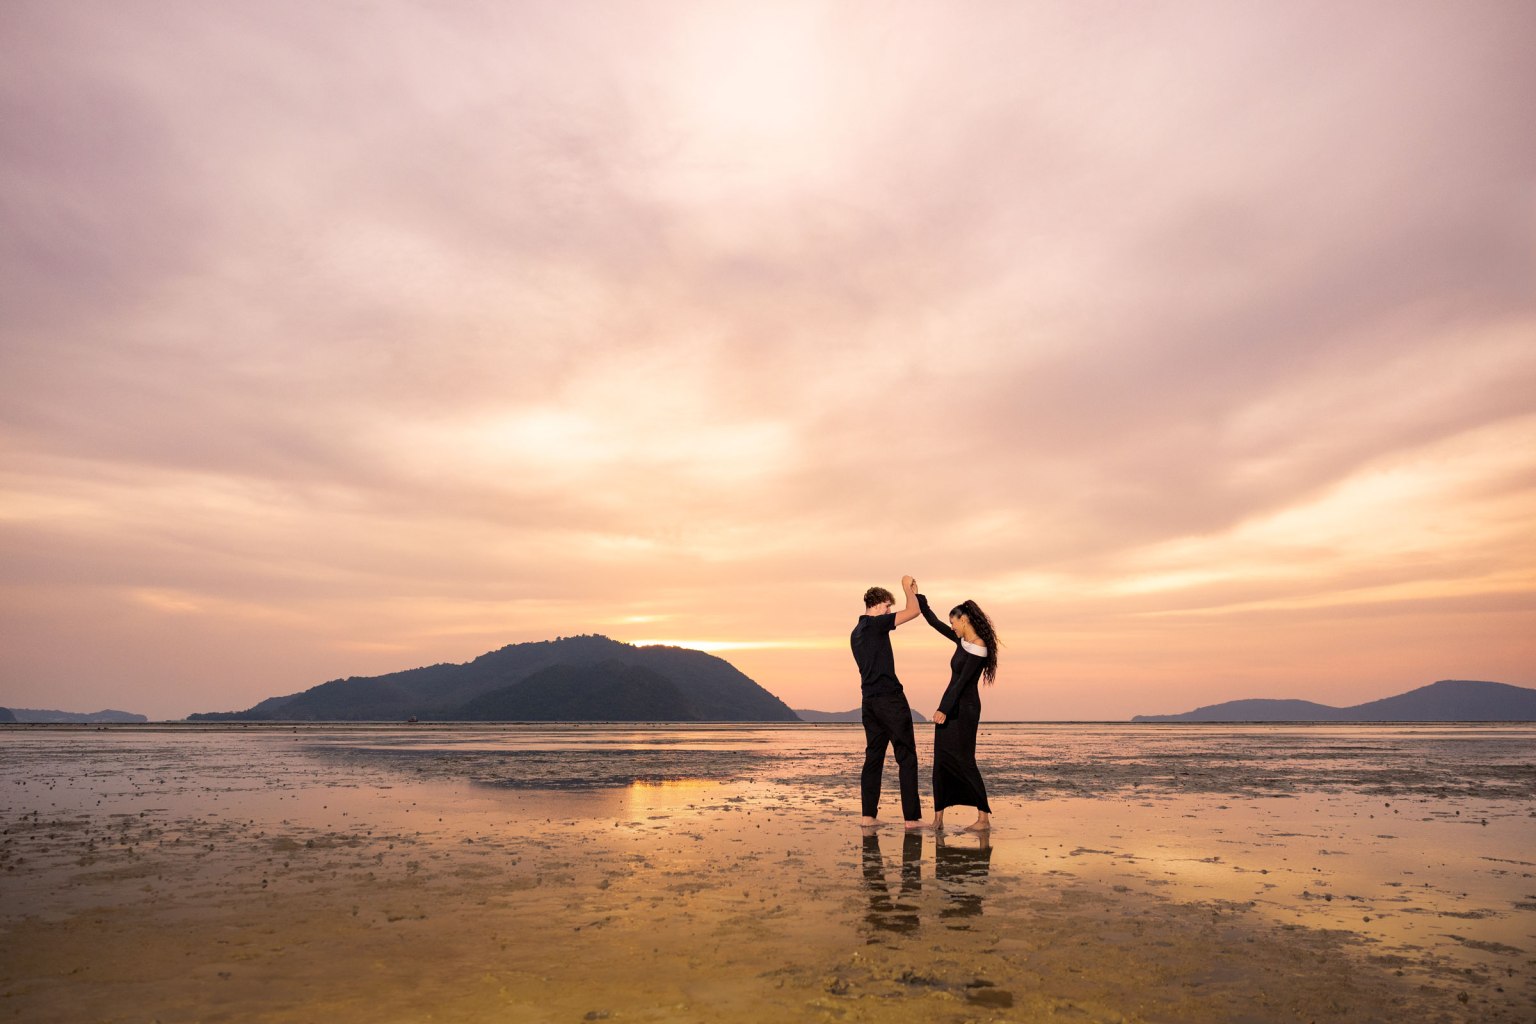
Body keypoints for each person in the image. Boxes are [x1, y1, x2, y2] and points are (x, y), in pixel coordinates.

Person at [850, 576, 932, 830]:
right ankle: (911, 819)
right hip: (889, 700)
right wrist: (908, 588)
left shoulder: (855, 633)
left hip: (869, 703)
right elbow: (914, 611)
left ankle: (868, 817)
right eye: (887, 606)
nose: (888, 611)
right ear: (876, 606)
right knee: (906, 756)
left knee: (873, 757)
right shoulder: (876, 624)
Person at [916, 585, 998, 831]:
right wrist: (918, 598)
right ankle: (938, 819)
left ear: (964, 619)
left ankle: (983, 818)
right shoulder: (961, 640)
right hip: (951, 706)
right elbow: (934, 623)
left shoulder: (979, 646)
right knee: (940, 760)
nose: (951, 627)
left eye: (954, 623)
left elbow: (961, 684)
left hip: (965, 710)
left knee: (965, 761)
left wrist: (943, 709)